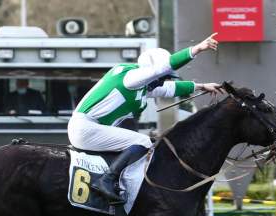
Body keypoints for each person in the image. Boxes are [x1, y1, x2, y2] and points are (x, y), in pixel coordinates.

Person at [67, 33, 224, 204]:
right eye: (163, 78)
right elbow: (162, 68)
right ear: (150, 71)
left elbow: (168, 89)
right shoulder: (132, 78)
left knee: (143, 142)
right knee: (143, 142)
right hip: (86, 129)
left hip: (89, 128)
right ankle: (105, 181)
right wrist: (197, 49)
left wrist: (201, 86)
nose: (163, 81)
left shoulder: (139, 85)